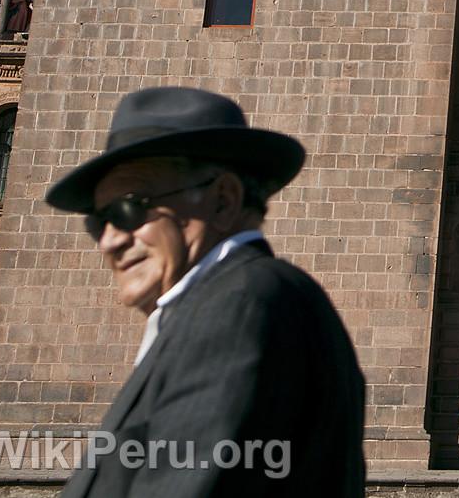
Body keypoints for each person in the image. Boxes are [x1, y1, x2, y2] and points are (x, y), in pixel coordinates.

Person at [44, 85, 366, 496]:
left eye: (128, 209)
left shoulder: (240, 306)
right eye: (97, 222)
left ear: (222, 201)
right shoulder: (220, 305)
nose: (109, 240)